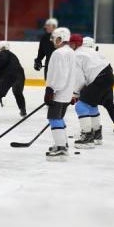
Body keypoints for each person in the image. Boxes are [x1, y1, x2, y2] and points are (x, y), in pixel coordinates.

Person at [70, 34, 114, 148]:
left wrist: (75, 94)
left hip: (99, 79)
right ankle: (97, 135)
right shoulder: (88, 51)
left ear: (74, 44)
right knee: (91, 105)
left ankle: (87, 138)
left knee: (80, 106)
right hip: (109, 77)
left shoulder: (76, 55)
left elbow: (80, 79)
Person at [43, 27, 75, 159]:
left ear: (60, 38)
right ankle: (63, 143)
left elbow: (59, 74)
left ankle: (61, 148)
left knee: (54, 118)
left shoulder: (58, 53)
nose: (53, 41)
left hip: (58, 92)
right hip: (67, 92)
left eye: (55, 38)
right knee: (59, 118)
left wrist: (51, 90)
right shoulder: (71, 52)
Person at [83, 37, 114, 134]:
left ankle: (91, 129)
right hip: (107, 81)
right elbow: (109, 69)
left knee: (88, 104)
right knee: (109, 104)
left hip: (96, 83)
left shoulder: (84, 56)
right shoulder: (99, 55)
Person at [0, 41, 26, 120]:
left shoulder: (1, 53)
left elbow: (2, 61)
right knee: (18, 92)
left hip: (9, 75)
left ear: (3, 48)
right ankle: (23, 110)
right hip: (20, 74)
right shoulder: (13, 55)